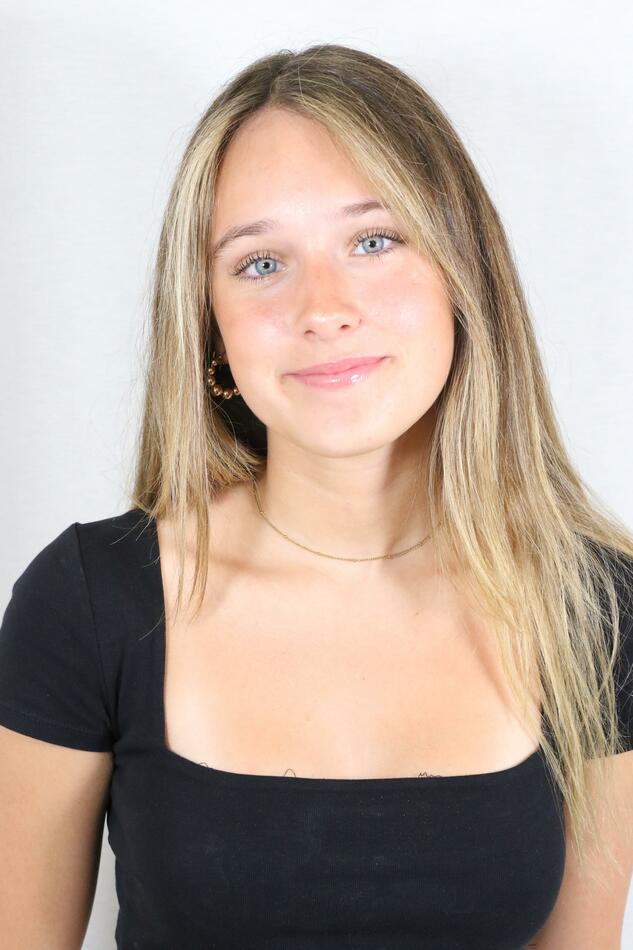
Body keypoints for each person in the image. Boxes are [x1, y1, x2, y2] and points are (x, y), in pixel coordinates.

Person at [1, 43, 633, 950]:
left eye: (373, 241)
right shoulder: (90, 603)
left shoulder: (593, 607)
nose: (322, 308)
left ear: (463, 276)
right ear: (209, 326)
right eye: (261, 263)